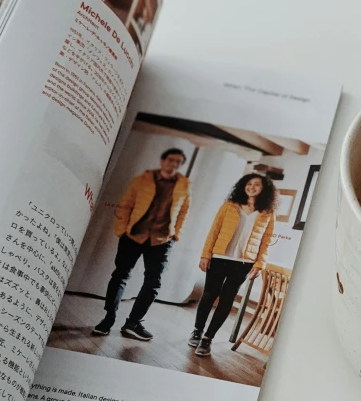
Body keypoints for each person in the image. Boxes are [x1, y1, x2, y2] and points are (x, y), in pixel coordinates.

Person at [93, 148, 190, 341]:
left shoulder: (184, 185)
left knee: (153, 283)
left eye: (178, 162)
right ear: (163, 161)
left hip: (161, 241)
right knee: (120, 275)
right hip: (134, 236)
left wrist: (175, 235)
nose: (174, 164)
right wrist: (122, 229)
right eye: (171, 160)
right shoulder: (142, 180)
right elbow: (126, 204)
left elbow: (184, 211)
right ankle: (108, 318)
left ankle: (133, 323)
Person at [189, 173, 277, 357]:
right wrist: (206, 255)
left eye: (257, 185)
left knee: (227, 298)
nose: (252, 187)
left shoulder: (267, 213)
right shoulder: (229, 205)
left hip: (244, 263)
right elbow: (214, 230)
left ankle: (207, 338)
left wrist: (260, 263)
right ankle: (197, 331)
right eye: (249, 183)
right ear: (243, 186)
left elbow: (266, 241)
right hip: (219, 257)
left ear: (264, 189)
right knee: (209, 295)